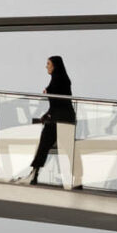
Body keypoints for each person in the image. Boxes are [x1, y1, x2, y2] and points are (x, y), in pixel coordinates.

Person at [24, 56, 76, 187]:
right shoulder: (61, 78)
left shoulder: (58, 79)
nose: (46, 66)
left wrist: (48, 92)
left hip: (59, 119)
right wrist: (47, 114)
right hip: (66, 117)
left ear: (54, 66)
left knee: (44, 145)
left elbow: (57, 101)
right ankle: (74, 179)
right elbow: (58, 103)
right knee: (66, 148)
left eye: (48, 64)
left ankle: (34, 174)